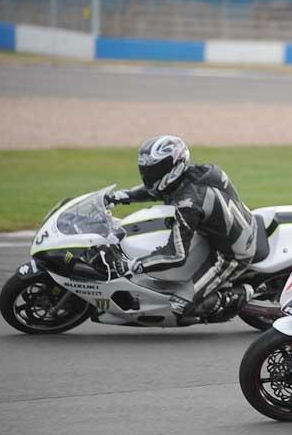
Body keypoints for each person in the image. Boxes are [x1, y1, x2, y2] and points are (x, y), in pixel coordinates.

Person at [106, 135, 257, 317]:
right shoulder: (196, 173)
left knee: (181, 305)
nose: (149, 175)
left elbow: (176, 255)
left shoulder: (189, 203)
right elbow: (156, 189)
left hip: (231, 255)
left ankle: (241, 295)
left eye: (156, 170)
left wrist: (134, 265)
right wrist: (120, 196)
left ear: (174, 167)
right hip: (224, 231)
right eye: (147, 170)